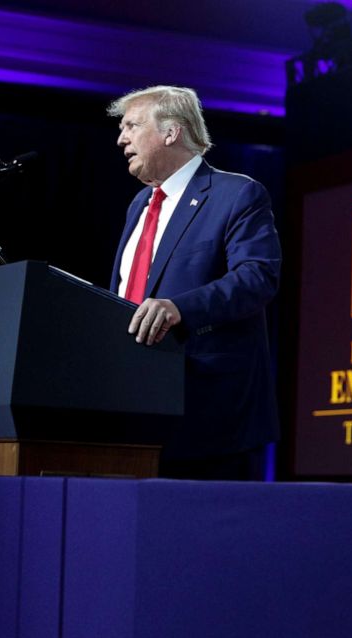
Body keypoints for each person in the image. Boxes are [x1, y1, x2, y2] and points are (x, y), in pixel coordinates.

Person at [107, 85, 281, 479]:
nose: (121, 138)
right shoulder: (139, 205)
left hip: (208, 415)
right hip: (132, 408)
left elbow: (258, 277)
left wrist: (178, 309)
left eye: (132, 125)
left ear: (171, 132)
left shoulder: (237, 194)